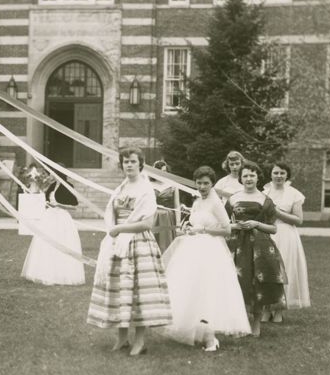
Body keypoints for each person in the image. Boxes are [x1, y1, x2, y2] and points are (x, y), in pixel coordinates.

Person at [87, 147, 172, 357]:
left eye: (133, 161)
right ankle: (122, 338)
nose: (129, 165)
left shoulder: (145, 190)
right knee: (120, 290)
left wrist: (121, 229)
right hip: (118, 244)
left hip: (138, 244)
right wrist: (114, 231)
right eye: (125, 162)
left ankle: (140, 340)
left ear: (140, 164)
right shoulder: (120, 189)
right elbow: (112, 216)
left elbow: (147, 223)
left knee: (138, 292)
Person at [160, 166, 250, 349]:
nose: (202, 187)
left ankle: (211, 338)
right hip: (192, 248)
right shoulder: (197, 202)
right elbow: (195, 222)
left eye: (206, 183)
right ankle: (198, 332)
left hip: (211, 250)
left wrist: (203, 230)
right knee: (191, 289)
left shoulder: (216, 203)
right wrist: (189, 229)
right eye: (199, 183)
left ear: (212, 184)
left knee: (208, 290)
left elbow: (227, 229)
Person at [226, 160, 287, 337]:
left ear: (257, 177)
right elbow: (225, 223)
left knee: (258, 282)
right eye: (245, 175)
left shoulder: (265, 200)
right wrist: (235, 226)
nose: (248, 178)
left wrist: (256, 223)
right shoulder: (233, 199)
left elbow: (273, 229)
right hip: (237, 244)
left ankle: (256, 322)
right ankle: (240, 321)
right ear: (241, 178)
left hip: (260, 246)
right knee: (238, 281)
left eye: (252, 175)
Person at [262, 161, 310, 318]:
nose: (279, 176)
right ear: (271, 174)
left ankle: (278, 310)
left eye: (282, 173)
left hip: (286, 234)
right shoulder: (264, 193)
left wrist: (277, 212)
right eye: (276, 172)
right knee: (268, 269)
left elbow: (298, 220)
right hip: (267, 232)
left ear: (287, 175)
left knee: (284, 270)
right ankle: (267, 307)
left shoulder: (294, 194)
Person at [20, 175, 85, 286]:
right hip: (50, 217)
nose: (51, 175)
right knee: (46, 243)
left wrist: (59, 205)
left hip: (62, 218)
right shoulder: (52, 186)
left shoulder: (68, 186)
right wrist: (47, 204)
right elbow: (48, 200)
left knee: (62, 242)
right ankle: (44, 272)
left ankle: (63, 273)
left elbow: (74, 206)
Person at [150, 159, 177, 249]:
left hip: (168, 217)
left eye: (164, 171)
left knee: (166, 243)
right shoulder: (149, 185)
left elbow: (177, 205)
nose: (162, 174)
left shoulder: (173, 185)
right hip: (153, 216)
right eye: (159, 172)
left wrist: (178, 224)